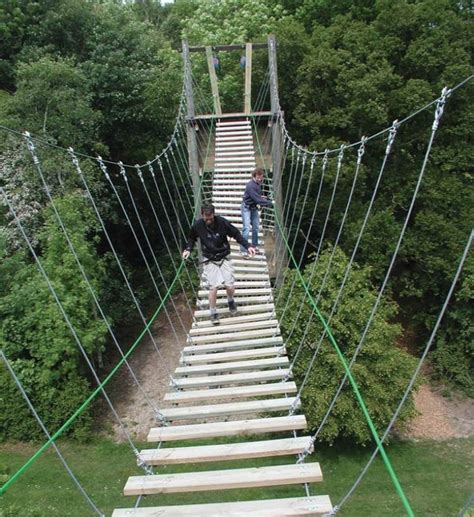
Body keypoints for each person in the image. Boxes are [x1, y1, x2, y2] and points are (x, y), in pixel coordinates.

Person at [182, 205, 256, 325]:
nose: (208, 220)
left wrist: (247, 246)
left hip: (224, 256)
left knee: (230, 286)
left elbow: (236, 234)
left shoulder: (222, 222)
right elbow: (191, 238)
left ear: (213, 214)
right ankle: (213, 312)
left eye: (210, 217)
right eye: (206, 217)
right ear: (202, 215)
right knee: (213, 287)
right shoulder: (198, 225)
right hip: (210, 259)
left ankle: (230, 300)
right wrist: (188, 249)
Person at [240, 168, 273, 256]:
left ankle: (254, 246)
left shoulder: (258, 184)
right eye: (258, 177)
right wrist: (270, 202)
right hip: (246, 208)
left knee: (256, 227)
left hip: (253, 207)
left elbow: (257, 196)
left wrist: (263, 198)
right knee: (246, 228)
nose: (260, 179)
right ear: (254, 176)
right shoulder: (251, 185)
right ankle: (243, 249)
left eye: (261, 177)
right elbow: (257, 199)